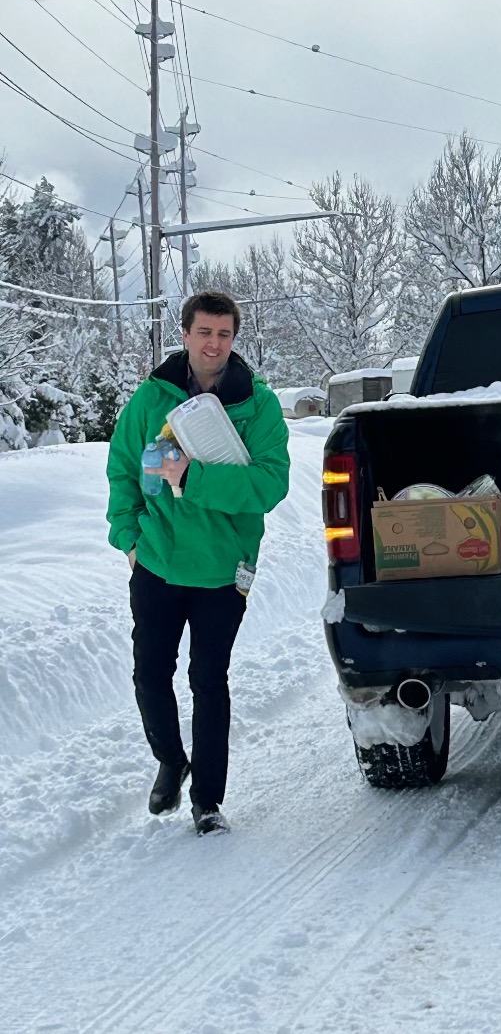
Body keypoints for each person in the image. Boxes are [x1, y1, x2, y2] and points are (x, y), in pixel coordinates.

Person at [106, 291, 290, 835]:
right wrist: (129, 537)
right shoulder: (150, 399)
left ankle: (207, 800)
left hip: (222, 570)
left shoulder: (258, 406)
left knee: (209, 679)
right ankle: (170, 758)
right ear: (185, 335)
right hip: (157, 562)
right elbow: (123, 470)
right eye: (204, 332)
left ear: (235, 339)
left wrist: (191, 477)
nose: (214, 344)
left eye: (224, 334)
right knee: (150, 674)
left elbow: (268, 484)